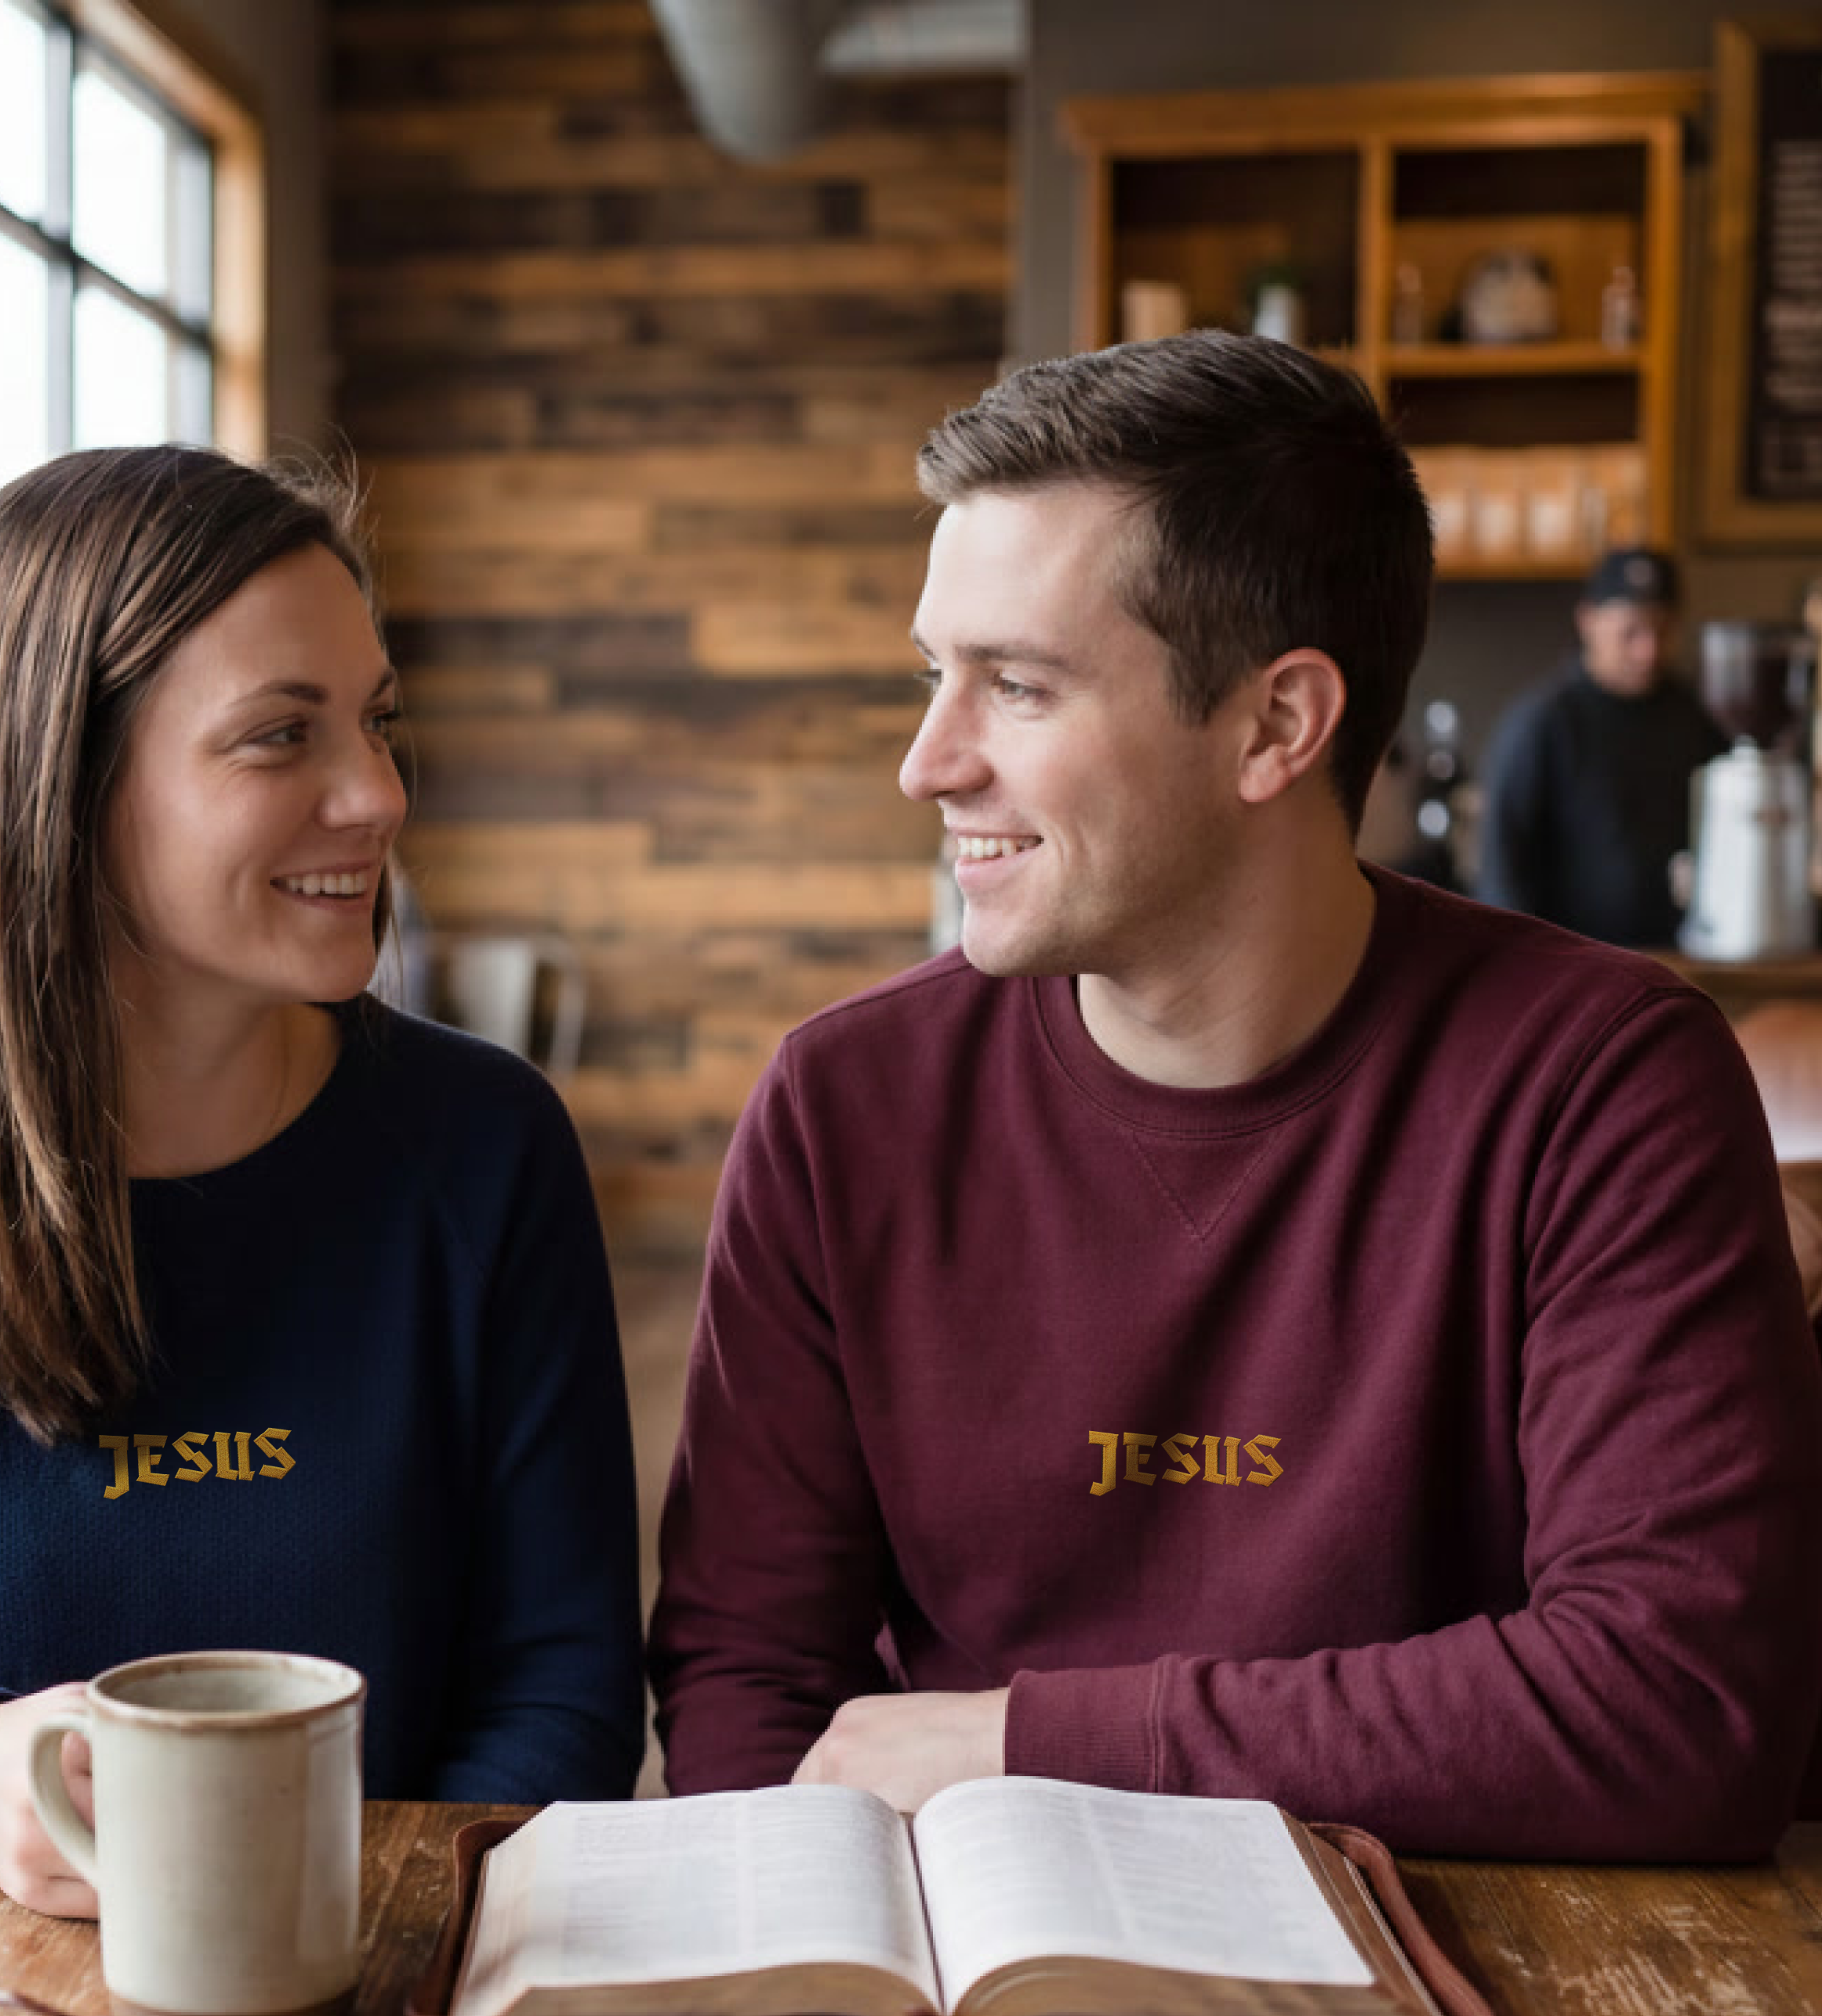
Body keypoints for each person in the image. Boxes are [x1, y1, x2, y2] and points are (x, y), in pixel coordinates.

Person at [647, 332, 1822, 1861]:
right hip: (962, 1984)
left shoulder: (1606, 1082)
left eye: (1015, 687)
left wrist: (1029, 1739)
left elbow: (1679, 1702)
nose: (927, 763)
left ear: (1277, 726)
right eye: (936, 677)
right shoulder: (842, 1107)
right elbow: (749, 1681)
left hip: (1497, 1989)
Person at [0, 444, 644, 1935]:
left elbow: (566, 1691)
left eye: (377, 723)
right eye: (282, 737)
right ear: (58, 781)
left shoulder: (486, 1149)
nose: (378, 795)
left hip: (384, 1993)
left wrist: (353, 1927)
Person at [1474, 546, 1727, 946]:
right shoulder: (1543, 723)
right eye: (1631, 633)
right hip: (1575, 968)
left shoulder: (1694, 717)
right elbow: (1503, 865)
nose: (1648, 650)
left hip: (1682, 959)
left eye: (1662, 631)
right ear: (1588, 621)